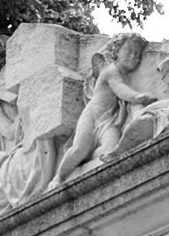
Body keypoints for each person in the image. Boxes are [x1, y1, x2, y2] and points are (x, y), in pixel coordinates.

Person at [49, 32, 156, 189]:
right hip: (92, 118)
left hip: (109, 120)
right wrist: (138, 96)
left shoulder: (126, 75)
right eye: (129, 51)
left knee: (111, 148)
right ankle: (59, 177)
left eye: (137, 54)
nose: (133, 56)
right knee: (80, 148)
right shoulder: (111, 71)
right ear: (116, 51)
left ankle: (88, 162)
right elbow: (120, 90)